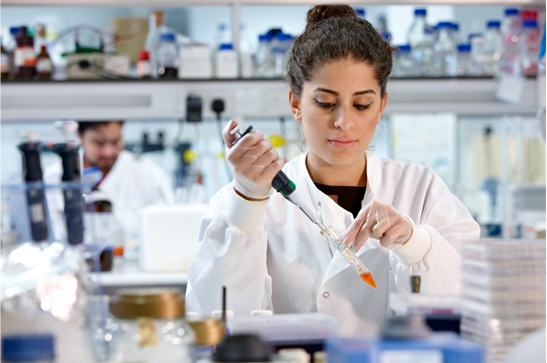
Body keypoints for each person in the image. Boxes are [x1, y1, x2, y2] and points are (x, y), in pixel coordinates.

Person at [186, 5, 479, 335]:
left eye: (362, 104)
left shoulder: (419, 188)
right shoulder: (246, 202)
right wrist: (248, 202)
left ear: (381, 105)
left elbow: (471, 307)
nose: (344, 122)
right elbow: (213, 324)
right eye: (326, 103)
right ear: (296, 103)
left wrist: (414, 242)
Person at [44, 120, 174, 242]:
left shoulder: (149, 174)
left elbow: (167, 229)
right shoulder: (55, 177)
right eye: (99, 143)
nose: (108, 152)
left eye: (115, 141)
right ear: (80, 136)